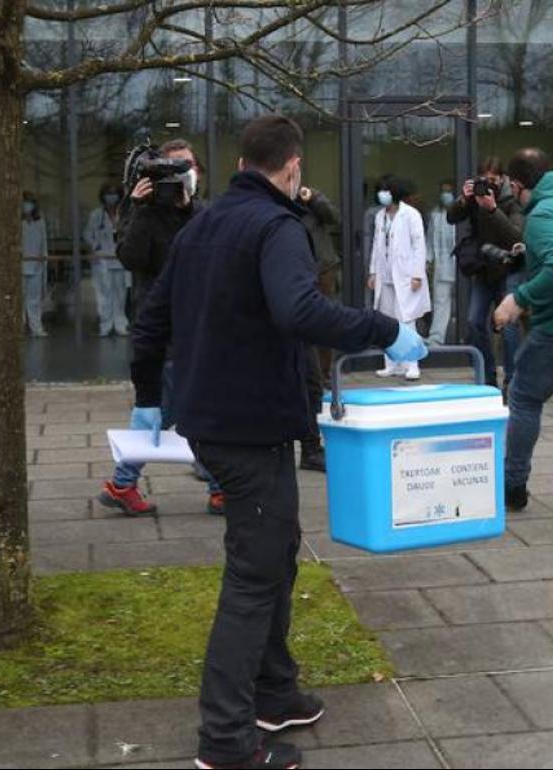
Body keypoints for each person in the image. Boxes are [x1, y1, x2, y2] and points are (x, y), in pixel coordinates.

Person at [129, 113, 425, 770]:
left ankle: (274, 691)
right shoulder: (276, 227)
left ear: (240, 164)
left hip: (218, 423)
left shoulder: (201, 224)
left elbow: (150, 323)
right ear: (292, 168)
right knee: (255, 576)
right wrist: (385, 328)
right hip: (248, 427)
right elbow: (301, 310)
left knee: (277, 553)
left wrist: (149, 399)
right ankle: (226, 740)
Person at [103, 139, 223, 517]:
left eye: (186, 165)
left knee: (173, 407)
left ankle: (123, 483)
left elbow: (212, 251)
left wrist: (187, 208)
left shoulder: (202, 212)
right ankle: (125, 482)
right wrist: (136, 208)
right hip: (161, 327)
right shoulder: (144, 212)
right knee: (173, 406)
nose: (180, 173)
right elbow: (130, 258)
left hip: (197, 324)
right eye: (171, 167)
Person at [495, 148, 553, 512]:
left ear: (517, 186)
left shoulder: (542, 215)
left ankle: (512, 486)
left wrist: (519, 298)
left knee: (524, 397)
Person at [448, 157, 527, 390]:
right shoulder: (474, 197)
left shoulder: (512, 199)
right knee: (473, 322)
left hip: (510, 268)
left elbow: (516, 237)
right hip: (484, 270)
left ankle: (512, 380)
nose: (489, 185)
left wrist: (492, 208)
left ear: (502, 179)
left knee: (509, 325)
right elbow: (451, 217)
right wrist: (464, 199)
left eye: (493, 180)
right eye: (484, 180)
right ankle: (487, 376)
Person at [369, 176, 431, 380]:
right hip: (385, 274)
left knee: (407, 320)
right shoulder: (380, 216)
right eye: (381, 191)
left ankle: (412, 365)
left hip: (405, 276)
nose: (382, 194)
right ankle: (392, 364)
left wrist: (417, 274)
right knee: (387, 322)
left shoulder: (411, 215)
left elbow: (419, 246)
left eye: (386, 190)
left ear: (394, 193)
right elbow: (376, 246)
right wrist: (373, 272)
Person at [297, 185, 341, 473]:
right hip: (296, 276)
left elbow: (333, 217)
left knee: (321, 348)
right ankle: (309, 446)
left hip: (321, 271)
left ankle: (311, 447)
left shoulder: (309, 198)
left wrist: (314, 198)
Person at [87, 183, 129, 337]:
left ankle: (120, 325)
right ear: (103, 196)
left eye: (114, 193)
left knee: (120, 295)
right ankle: (105, 325)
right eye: (108, 193)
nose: (111, 197)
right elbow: (88, 234)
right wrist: (95, 246)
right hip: (102, 259)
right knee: (103, 294)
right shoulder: (96, 215)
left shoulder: (125, 214)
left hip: (120, 259)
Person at [427, 180, 460, 346]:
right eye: (443, 191)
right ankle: (436, 338)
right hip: (441, 265)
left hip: (460, 265)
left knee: (461, 302)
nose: (445, 195)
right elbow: (430, 239)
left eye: (448, 191)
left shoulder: (462, 215)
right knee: (440, 302)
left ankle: (462, 337)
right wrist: (428, 260)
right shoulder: (435, 214)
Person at [21, 192, 50, 337]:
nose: (27, 206)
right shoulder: (16, 223)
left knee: (34, 299)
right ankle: (19, 328)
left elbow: (43, 243)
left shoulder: (40, 222)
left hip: (37, 265)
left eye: (30, 202)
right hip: (20, 265)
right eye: (25, 202)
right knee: (19, 299)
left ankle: (36, 327)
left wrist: (44, 259)